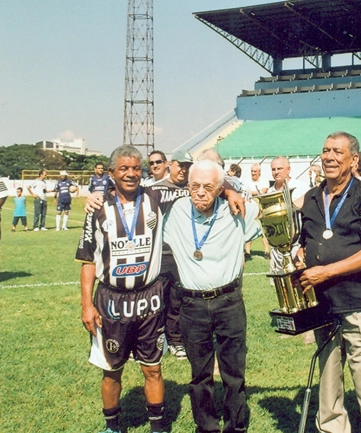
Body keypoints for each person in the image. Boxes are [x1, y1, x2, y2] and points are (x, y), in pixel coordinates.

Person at [297, 131, 361, 433]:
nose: (329, 157)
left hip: (360, 302)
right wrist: (302, 258)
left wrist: (327, 271)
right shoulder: (312, 199)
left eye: (338, 152)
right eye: (325, 150)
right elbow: (306, 243)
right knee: (328, 381)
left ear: (353, 160)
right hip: (323, 303)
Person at [162, 159, 261, 433]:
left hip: (229, 302)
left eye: (208, 187)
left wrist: (233, 193)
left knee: (233, 373)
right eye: (195, 186)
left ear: (220, 189)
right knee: (200, 374)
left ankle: (236, 427)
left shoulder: (237, 209)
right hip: (191, 304)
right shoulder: (175, 212)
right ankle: (206, 427)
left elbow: (279, 212)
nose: (200, 192)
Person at [76, 145, 169, 433]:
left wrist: (228, 189)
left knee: (152, 367)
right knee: (111, 370)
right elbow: (88, 260)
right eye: (124, 169)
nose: (131, 174)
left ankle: (156, 427)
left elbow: (192, 179)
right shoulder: (97, 208)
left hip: (149, 299)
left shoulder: (156, 197)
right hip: (111, 301)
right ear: (112, 172)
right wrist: (87, 305)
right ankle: (113, 427)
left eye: (136, 168)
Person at [152, 150, 195, 360]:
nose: (184, 170)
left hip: (184, 255)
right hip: (159, 254)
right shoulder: (154, 189)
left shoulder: (193, 189)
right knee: (156, 300)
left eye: (188, 166)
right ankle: (154, 340)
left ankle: (176, 341)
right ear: (170, 164)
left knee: (179, 300)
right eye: (181, 165)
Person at [245, 163, 270, 260]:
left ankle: (267, 252)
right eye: (251, 171)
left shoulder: (264, 181)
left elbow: (262, 192)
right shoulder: (247, 181)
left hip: (261, 208)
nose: (253, 173)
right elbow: (247, 194)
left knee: (263, 231)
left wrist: (251, 192)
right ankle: (247, 252)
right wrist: (254, 192)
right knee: (248, 229)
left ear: (259, 172)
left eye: (255, 171)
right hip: (250, 209)